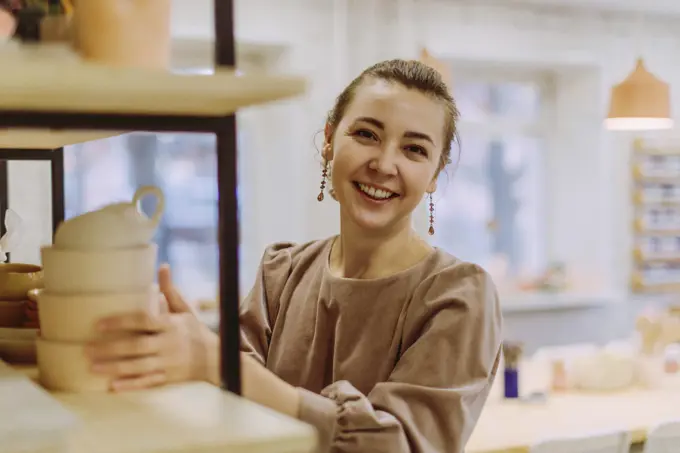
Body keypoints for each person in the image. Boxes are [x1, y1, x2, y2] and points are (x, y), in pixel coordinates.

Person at [86, 59, 503, 453]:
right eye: (367, 135)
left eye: (414, 150)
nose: (384, 163)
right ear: (328, 141)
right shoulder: (282, 273)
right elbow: (235, 406)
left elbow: (396, 446)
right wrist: (174, 345)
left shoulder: (458, 296)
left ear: (435, 175)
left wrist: (218, 363)